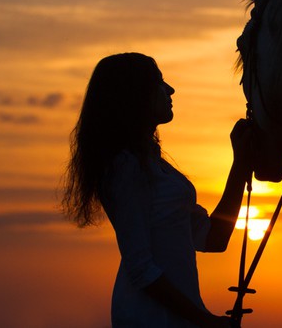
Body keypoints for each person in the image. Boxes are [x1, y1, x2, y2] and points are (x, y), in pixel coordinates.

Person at [60, 52, 251, 327]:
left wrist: (241, 165)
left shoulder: (154, 167)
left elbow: (213, 238)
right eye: (159, 82)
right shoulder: (124, 167)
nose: (170, 89)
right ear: (134, 95)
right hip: (147, 318)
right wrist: (204, 321)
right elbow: (140, 268)